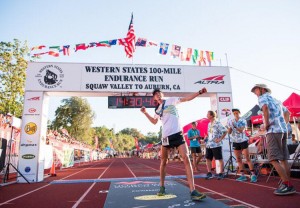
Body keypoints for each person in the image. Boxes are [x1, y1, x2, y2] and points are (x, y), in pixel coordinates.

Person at [140, 88, 207, 201]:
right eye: (156, 95)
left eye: (159, 93)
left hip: (178, 134)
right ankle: (162, 187)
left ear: (162, 94)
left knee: (186, 158)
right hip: (166, 137)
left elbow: (186, 99)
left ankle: (193, 190)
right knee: (164, 161)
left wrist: (199, 92)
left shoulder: (172, 100)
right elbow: (154, 122)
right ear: (154, 98)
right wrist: (145, 113)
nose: (158, 95)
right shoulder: (158, 110)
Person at [251, 83, 296, 195]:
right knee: (284, 159)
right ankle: (287, 183)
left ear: (262, 89)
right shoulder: (276, 100)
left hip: (273, 132)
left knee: (273, 158)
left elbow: (265, 108)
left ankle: (287, 184)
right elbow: (287, 113)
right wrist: (283, 124)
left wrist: (266, 124)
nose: (254, 93)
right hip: (283, 131)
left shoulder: (262, 98)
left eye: (255, 90)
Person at [227, 108, 257, 183]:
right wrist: (230, 127)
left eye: (237, 113)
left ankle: (253, 175)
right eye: (234, 113)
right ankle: (242, 175)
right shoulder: (231, 121)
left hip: (243, 141)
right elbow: (229, 132)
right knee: (238, 159)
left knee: (247, 158)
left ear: (239, 113)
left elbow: (241, 130)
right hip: (235, 141)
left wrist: (235, 126)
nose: (235, 114)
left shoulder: (243, 120)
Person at [204, 110, 227, 180]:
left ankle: (221, 173)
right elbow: (210, 133)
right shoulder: (209, 124)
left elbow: (225, 131)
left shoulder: (218, 123)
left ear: (211, 115)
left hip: (216, 145)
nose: (206, 115)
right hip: (209, 144)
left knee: (219, 158)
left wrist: (220, 139)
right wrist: (206, 138)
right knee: (208, 158)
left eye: (207, 114)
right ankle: (209, 173)